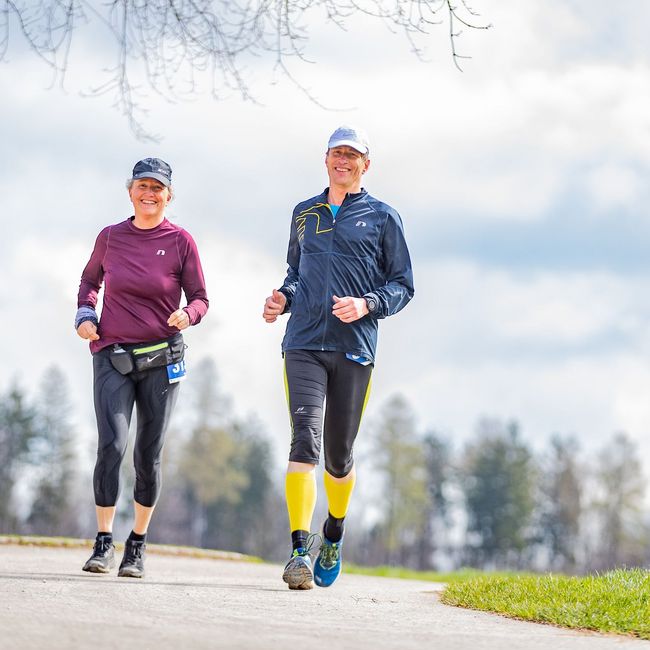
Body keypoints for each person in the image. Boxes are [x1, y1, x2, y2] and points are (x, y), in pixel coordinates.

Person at [263, 126, 414, 589]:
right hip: (303, 343)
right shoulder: (303, 213)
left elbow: (403, 286)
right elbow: (296, 272)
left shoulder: (384, 218)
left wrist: (367, 304)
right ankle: (298, 552)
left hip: (354, 348)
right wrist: (282, 299)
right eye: (336, 154)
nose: (343, 162)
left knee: (339, 455)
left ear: (366, 164)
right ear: (325, 158)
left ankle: (333, 532)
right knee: (303, 441)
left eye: (352, 155)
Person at [76, 157, 209, 578]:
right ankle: (103, 542)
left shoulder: (181, 241)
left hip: (161, 360)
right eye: (141, 186)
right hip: (112, 354)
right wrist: (84, 314)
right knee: (111, 445)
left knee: (147, 454)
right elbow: (88, 282)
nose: (148, 194)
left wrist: (189, 315)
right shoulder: (111, 237)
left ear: (169, 195)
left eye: (157, 188)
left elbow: (201, 296)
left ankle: (137, 544)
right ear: (130, 191)